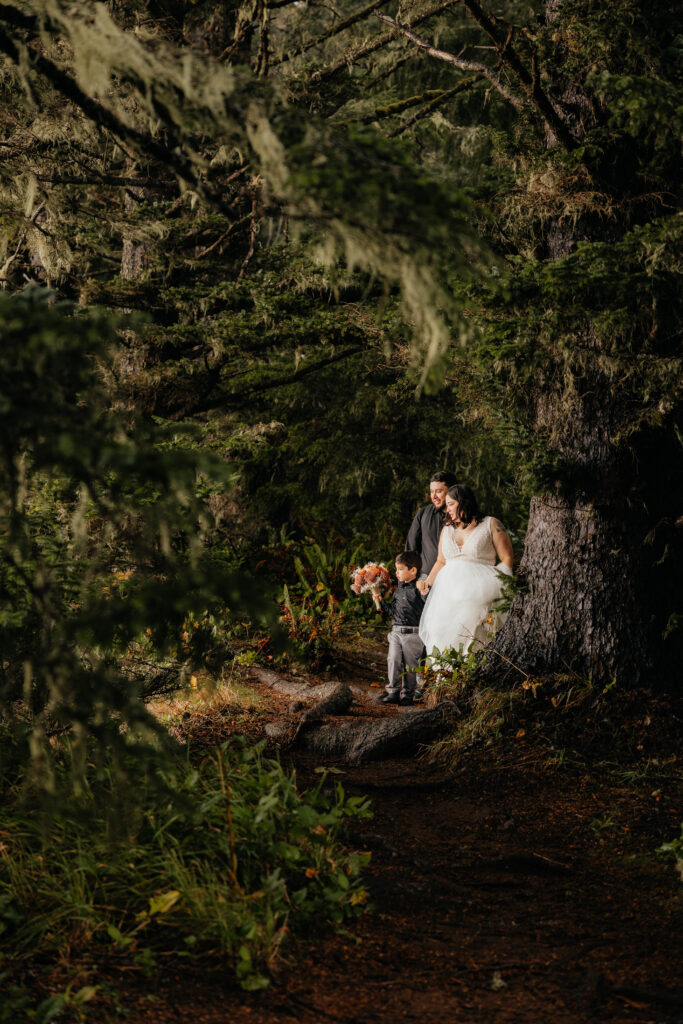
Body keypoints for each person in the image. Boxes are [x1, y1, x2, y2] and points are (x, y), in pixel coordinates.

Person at [417, 484, 513, 660]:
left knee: (472, 636)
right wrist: (427, 582)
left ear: (464, 502)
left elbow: (506, 558)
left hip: (480, 593)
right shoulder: (447, 529)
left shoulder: (490, 524)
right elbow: (441, 560)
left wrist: (500, 587)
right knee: (442, 635)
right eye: (446, 504)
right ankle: (446, 681)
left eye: (451, 504)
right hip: (447, 596)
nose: (447, 509)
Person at [371, 550, 426, 706]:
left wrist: (423, 587)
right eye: (396, 569)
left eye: (400, 569)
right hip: (396, 632)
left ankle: (408, 694)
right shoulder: (398, 591)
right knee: (393, 659)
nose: (397, 573)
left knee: (410, 665)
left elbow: (427, 606)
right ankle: (393, 691)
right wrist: (380, 600)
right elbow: (392, 612)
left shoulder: (419, 590)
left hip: (413, 634)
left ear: (413, 570)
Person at [405, 471, 457, 577]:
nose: (434, 496)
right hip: (426, 579)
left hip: (455, 579)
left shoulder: (463, 517)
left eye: (438, 491)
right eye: (431, 491)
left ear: (451, 491)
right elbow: (410, 549)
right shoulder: (423, 514)